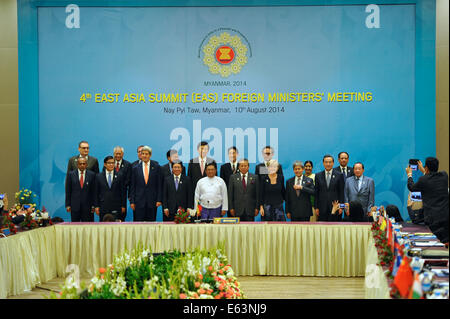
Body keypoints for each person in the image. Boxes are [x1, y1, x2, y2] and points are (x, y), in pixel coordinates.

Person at [406, 157, 449, 244]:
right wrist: (425, 171)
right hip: (445, 217)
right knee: (445, 242)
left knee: (434, 243)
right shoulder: (444, 175)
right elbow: (431, 179)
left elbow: (412, 187)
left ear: (426, 167)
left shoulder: (423, 180)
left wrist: (409, 175)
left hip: (432, 219)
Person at [129, 146, 162, 221]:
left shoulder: (156, 167)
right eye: (142, 153)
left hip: (152, 201)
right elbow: (132, 186)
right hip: (138, 202)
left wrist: (159, 199)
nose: (144, 155)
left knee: (151, 225)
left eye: (146, 154)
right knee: (138, 225)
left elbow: (159, 185)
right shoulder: (135, 168)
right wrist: (132, 201)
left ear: (150, 155)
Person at [95, 156, 127, 222]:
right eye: (109, 163)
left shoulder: (120, 175)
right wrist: (96, 206)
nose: (111, 165)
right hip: (103, 206)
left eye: (113, 163)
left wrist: (123, 205)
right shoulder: (99, 176)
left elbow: (123, 192)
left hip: (116, 206)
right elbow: (96, 192)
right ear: (105, 164)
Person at [314, 154, 345, 221]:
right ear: (323, 163)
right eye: (326, 162)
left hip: (335, 207)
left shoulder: (339, 175)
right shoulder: (318, 175)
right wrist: (316, 207)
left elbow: (341, 192)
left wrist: (341, 207)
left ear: (333, 163)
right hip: (322, 207)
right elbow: (316, 192)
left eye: (330, 162)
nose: (328, 164)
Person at [65, 157, 96, 222]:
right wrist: (68, 204)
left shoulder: (92, 175)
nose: (82, 165)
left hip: (88, 207)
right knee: (75, 227)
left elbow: (94, 192)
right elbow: (68, 190)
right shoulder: (71, 174)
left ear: (86, 164)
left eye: (84, 163)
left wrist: (94, 205)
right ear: (77, 164)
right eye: (80, 164)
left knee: (88, 227)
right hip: (75, 206)